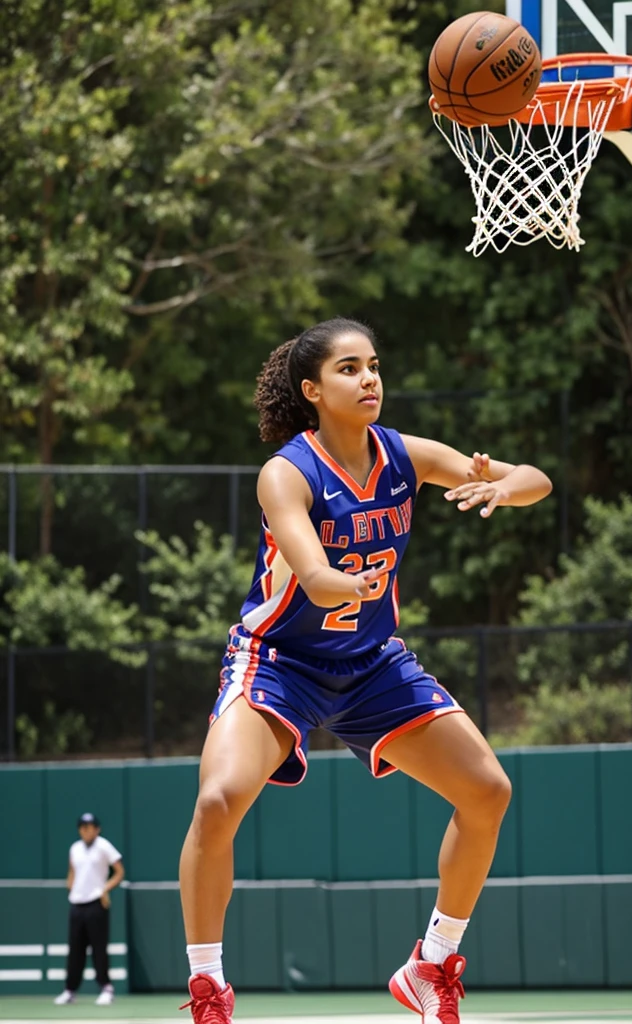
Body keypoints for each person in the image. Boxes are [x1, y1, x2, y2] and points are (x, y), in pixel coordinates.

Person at [178, 317, 552, 1024]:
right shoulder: (286, 472)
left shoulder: (402, 454)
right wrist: (344, 582)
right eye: (350, 369)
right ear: (313, 389)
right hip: (282, 662)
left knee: (487, 791)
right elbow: (314, 575)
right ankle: (208, 989)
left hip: (373, 663)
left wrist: (503, 488)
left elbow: (536, 478)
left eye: (374, 364)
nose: (370, 378)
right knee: (217, 801)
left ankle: (431, 963)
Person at [53, 812, 125, 1007]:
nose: (87, 830)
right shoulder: (74, 848)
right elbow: (72, 872)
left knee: (99, 948)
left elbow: (119, 872)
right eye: (83, 827)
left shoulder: (104, 846)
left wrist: (104, 889)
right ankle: (70, 990)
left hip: (96, 904)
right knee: (75, 949)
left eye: (90, 826)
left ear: (97, 829)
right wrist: (72, 887)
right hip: (77, 904)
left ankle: (106, 989)